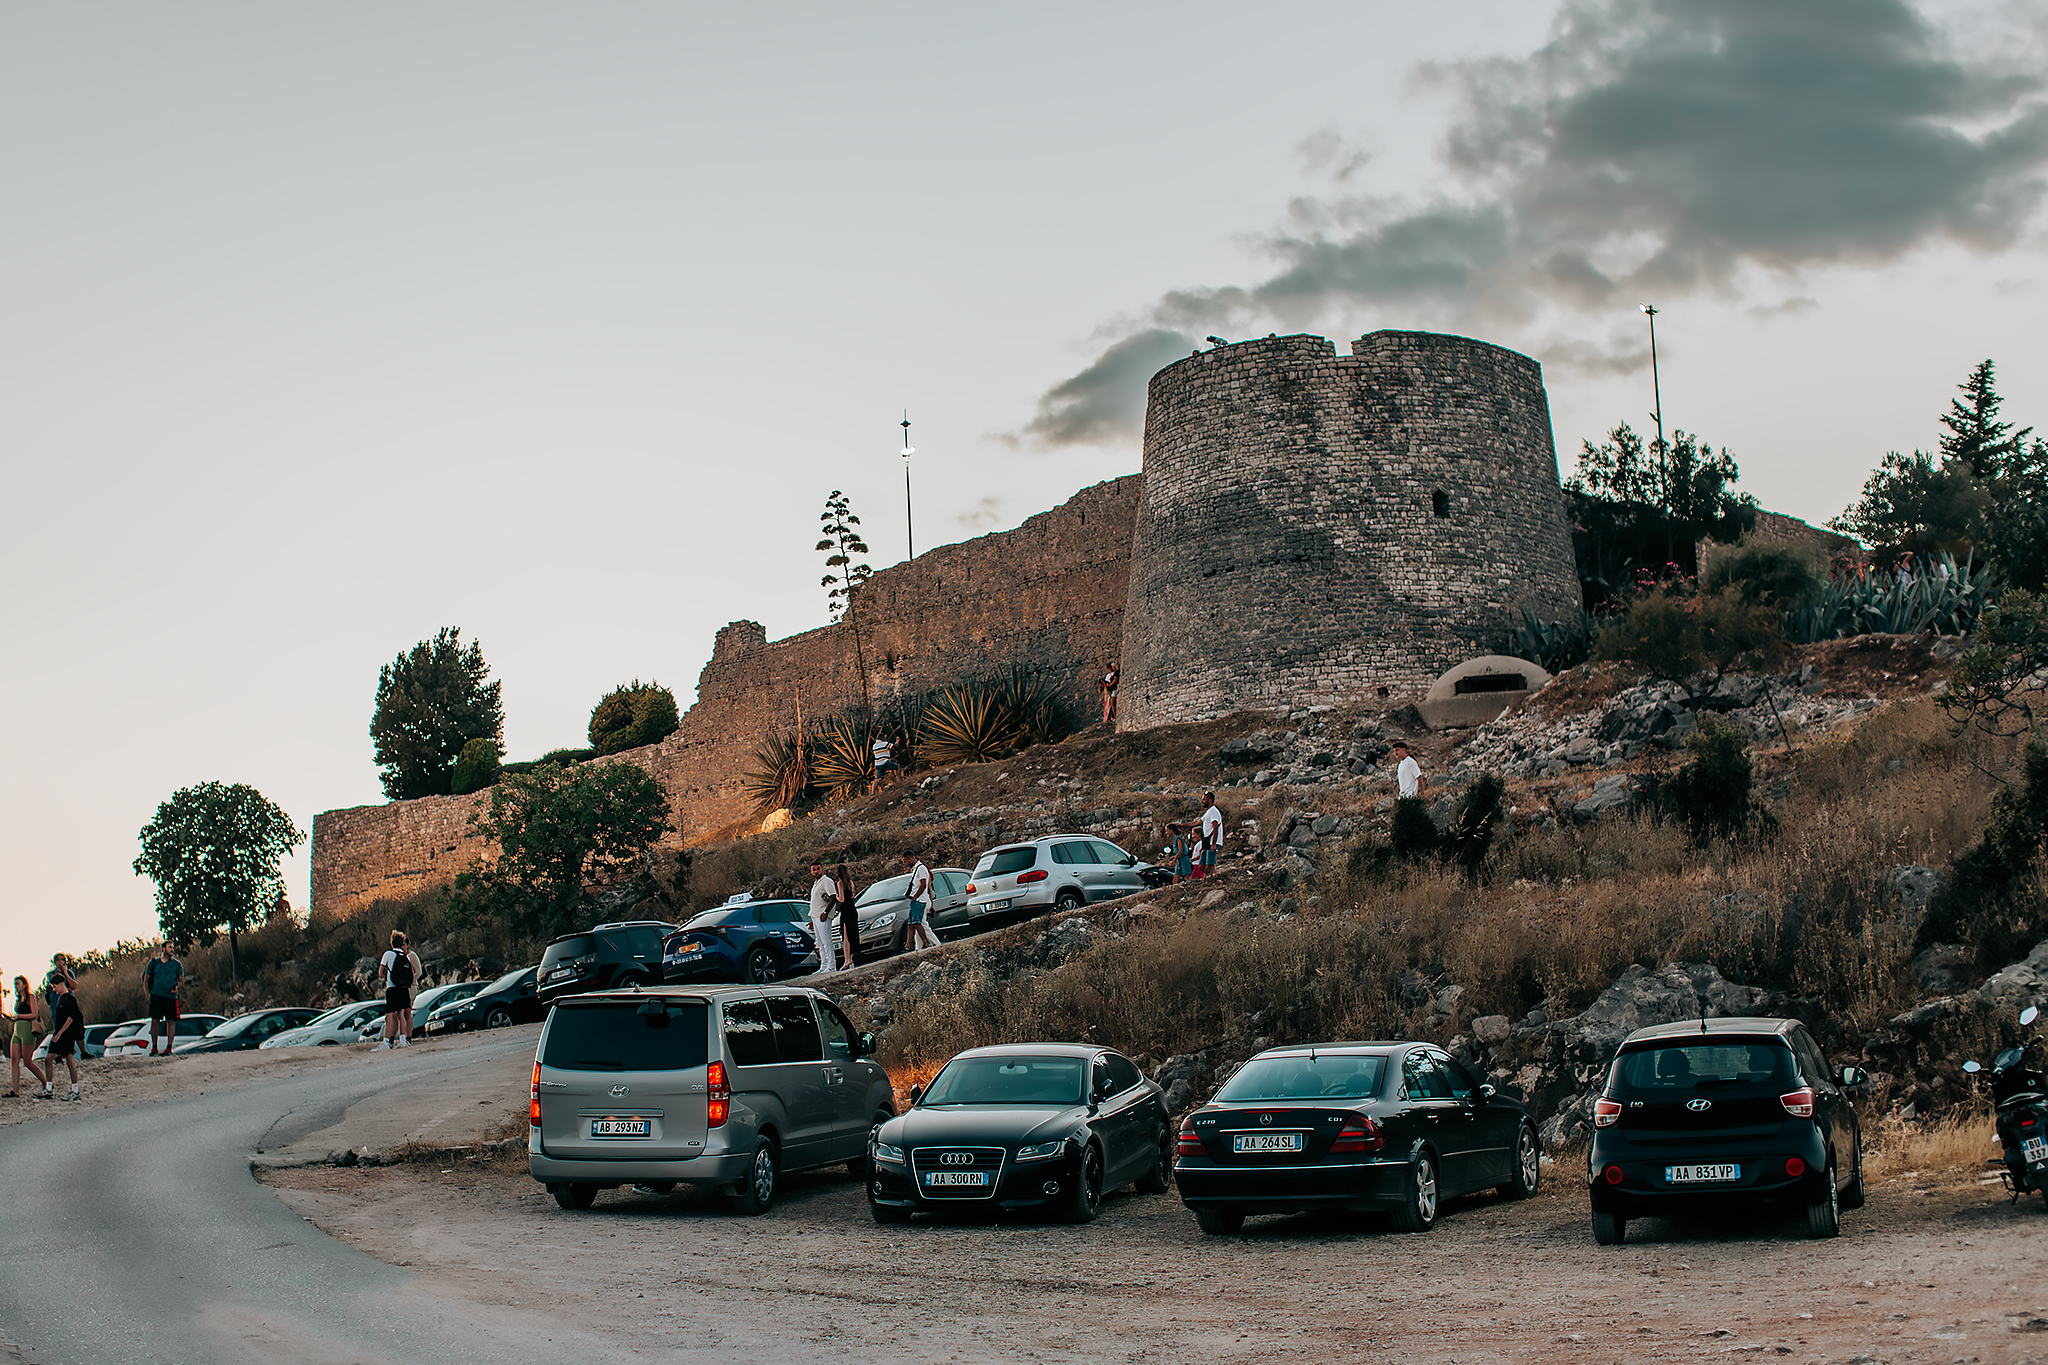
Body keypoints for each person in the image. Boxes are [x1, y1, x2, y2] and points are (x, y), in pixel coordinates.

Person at [6, 975, 49, 1098]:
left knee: (27, 1061)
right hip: (17, 1030)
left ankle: (45, 1083)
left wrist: (19, 1016)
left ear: (24, 985)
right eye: (15, 984)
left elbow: (34, 1014)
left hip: (28, 1030)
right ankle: (15, 1090)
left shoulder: (31, 997)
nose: (16, 986)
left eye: (18, 983)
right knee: (14, 1060)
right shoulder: (18, 1000)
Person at [44, 975, 84, 1101]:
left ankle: (75, 1089)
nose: (54, 989)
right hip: (57, 1033)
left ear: (61, 984)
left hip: (66, 1035)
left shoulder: (70, 999)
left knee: (70, 1062)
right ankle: (48, 1088)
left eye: (55, 986)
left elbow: (70, 1018)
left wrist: (60, 1034)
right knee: (48, 1059)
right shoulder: (60, 998)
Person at [376, 931, 418, 1050]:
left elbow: (380, 972)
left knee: (390, 1015)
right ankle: (404, 1039)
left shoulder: (388, 954)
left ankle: (386, 1042)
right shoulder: (405, 956)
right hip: (404, 988)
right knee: (402, 1014)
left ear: (392, 943)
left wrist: (384, 977)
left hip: (392, 987)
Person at [144, 942, 183, 1057]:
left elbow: (181, 980)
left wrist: (177, 987)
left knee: (171, 1021)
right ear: (163, 948)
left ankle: (169, 1047)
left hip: (171, 997)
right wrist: (147, 994)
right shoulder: (154, 963)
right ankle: (154, 1047)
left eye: (173, 947)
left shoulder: (176, 964)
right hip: (156, 996)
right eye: (169, 947)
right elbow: (146, 979)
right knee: (155, 1020)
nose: (172, 949)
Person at [900, 850, 939, 952]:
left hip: (920, 900)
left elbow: (923, 885)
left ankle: (937, 945)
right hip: (921, 899)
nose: (904, 864)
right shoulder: (917, 869)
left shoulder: (921, 868)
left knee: (921, 924)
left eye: (905, 861)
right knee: (917, 924)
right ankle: (919, 949)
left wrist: (915, 897)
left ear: (910, 858)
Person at [807, 860, 840, 974]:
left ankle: (831, 966)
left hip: (823, 915)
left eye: (818, 869)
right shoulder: (816, 883)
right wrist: (812, 918)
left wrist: (826, 912)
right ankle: (824, 965)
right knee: (820, 943)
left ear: (822, 869)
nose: (816, 871)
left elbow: (833, 897)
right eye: (814, 870)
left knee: (826, 941)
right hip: (816, 915)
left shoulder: (826, 881)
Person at [834, 862, 861, 969]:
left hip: (845, 911)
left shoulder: (839, 883)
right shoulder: (851, 883)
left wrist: (835, 896)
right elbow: (852, 895)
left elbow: (842, 899)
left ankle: (847, 960)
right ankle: (852, 958)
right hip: (853, 910)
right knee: (853, 934)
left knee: (845, 936)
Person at [1196, 791, 1224, 880]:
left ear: (1209, 799)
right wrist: (1181, 825)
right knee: (1201, 866)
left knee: (1209, 865)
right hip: (1207, 842)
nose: (1202, 801)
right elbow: (1197, 822)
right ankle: (1209, 878)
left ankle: (1215, 879)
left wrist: (1214, 843)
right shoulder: (1208, 812)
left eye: (1204, 799)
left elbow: (1215, 827)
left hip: (1212, 841)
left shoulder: (1213, 811)